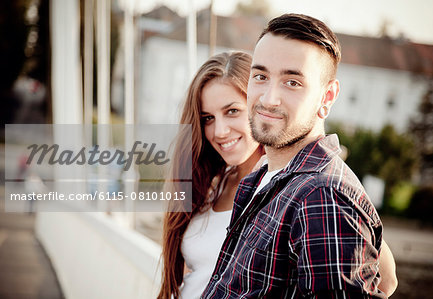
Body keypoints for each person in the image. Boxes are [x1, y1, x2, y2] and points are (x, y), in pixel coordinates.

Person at [201, 14, 395, 298]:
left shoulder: (323, 195)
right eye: (260, 76)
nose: (268, 98)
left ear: (326, 98)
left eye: (292, 82)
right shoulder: (263, 179)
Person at [157, 51, 264, 299]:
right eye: (208, 118)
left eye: (232, 111)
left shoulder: (278, 192)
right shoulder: (215, 183)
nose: (220, 131)